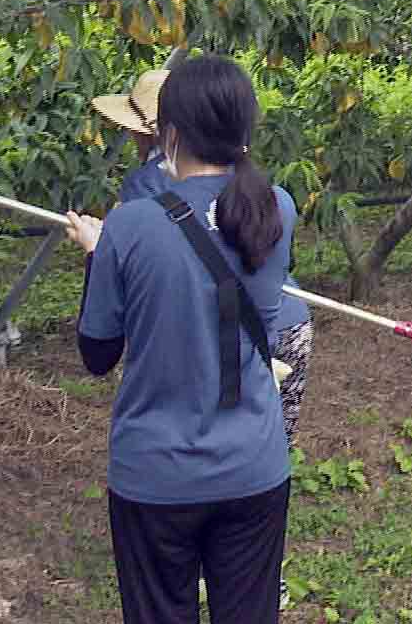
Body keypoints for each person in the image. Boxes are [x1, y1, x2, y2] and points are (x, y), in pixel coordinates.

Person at [64, 56, 306, 624]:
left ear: (167, 133)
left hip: (154, 477)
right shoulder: (276, 209)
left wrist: (103, 257)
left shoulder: (133, 225)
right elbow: (255, 314)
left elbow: (97, 353)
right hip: (253, 468)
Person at [92, 68, 315, 447]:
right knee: (269, 442)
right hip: (285, 324)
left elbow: (151, 277)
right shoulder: (270, 196)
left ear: (161, 131)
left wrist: (100, 250)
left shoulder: (141, 190)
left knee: (199, 441)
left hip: (211, 336)